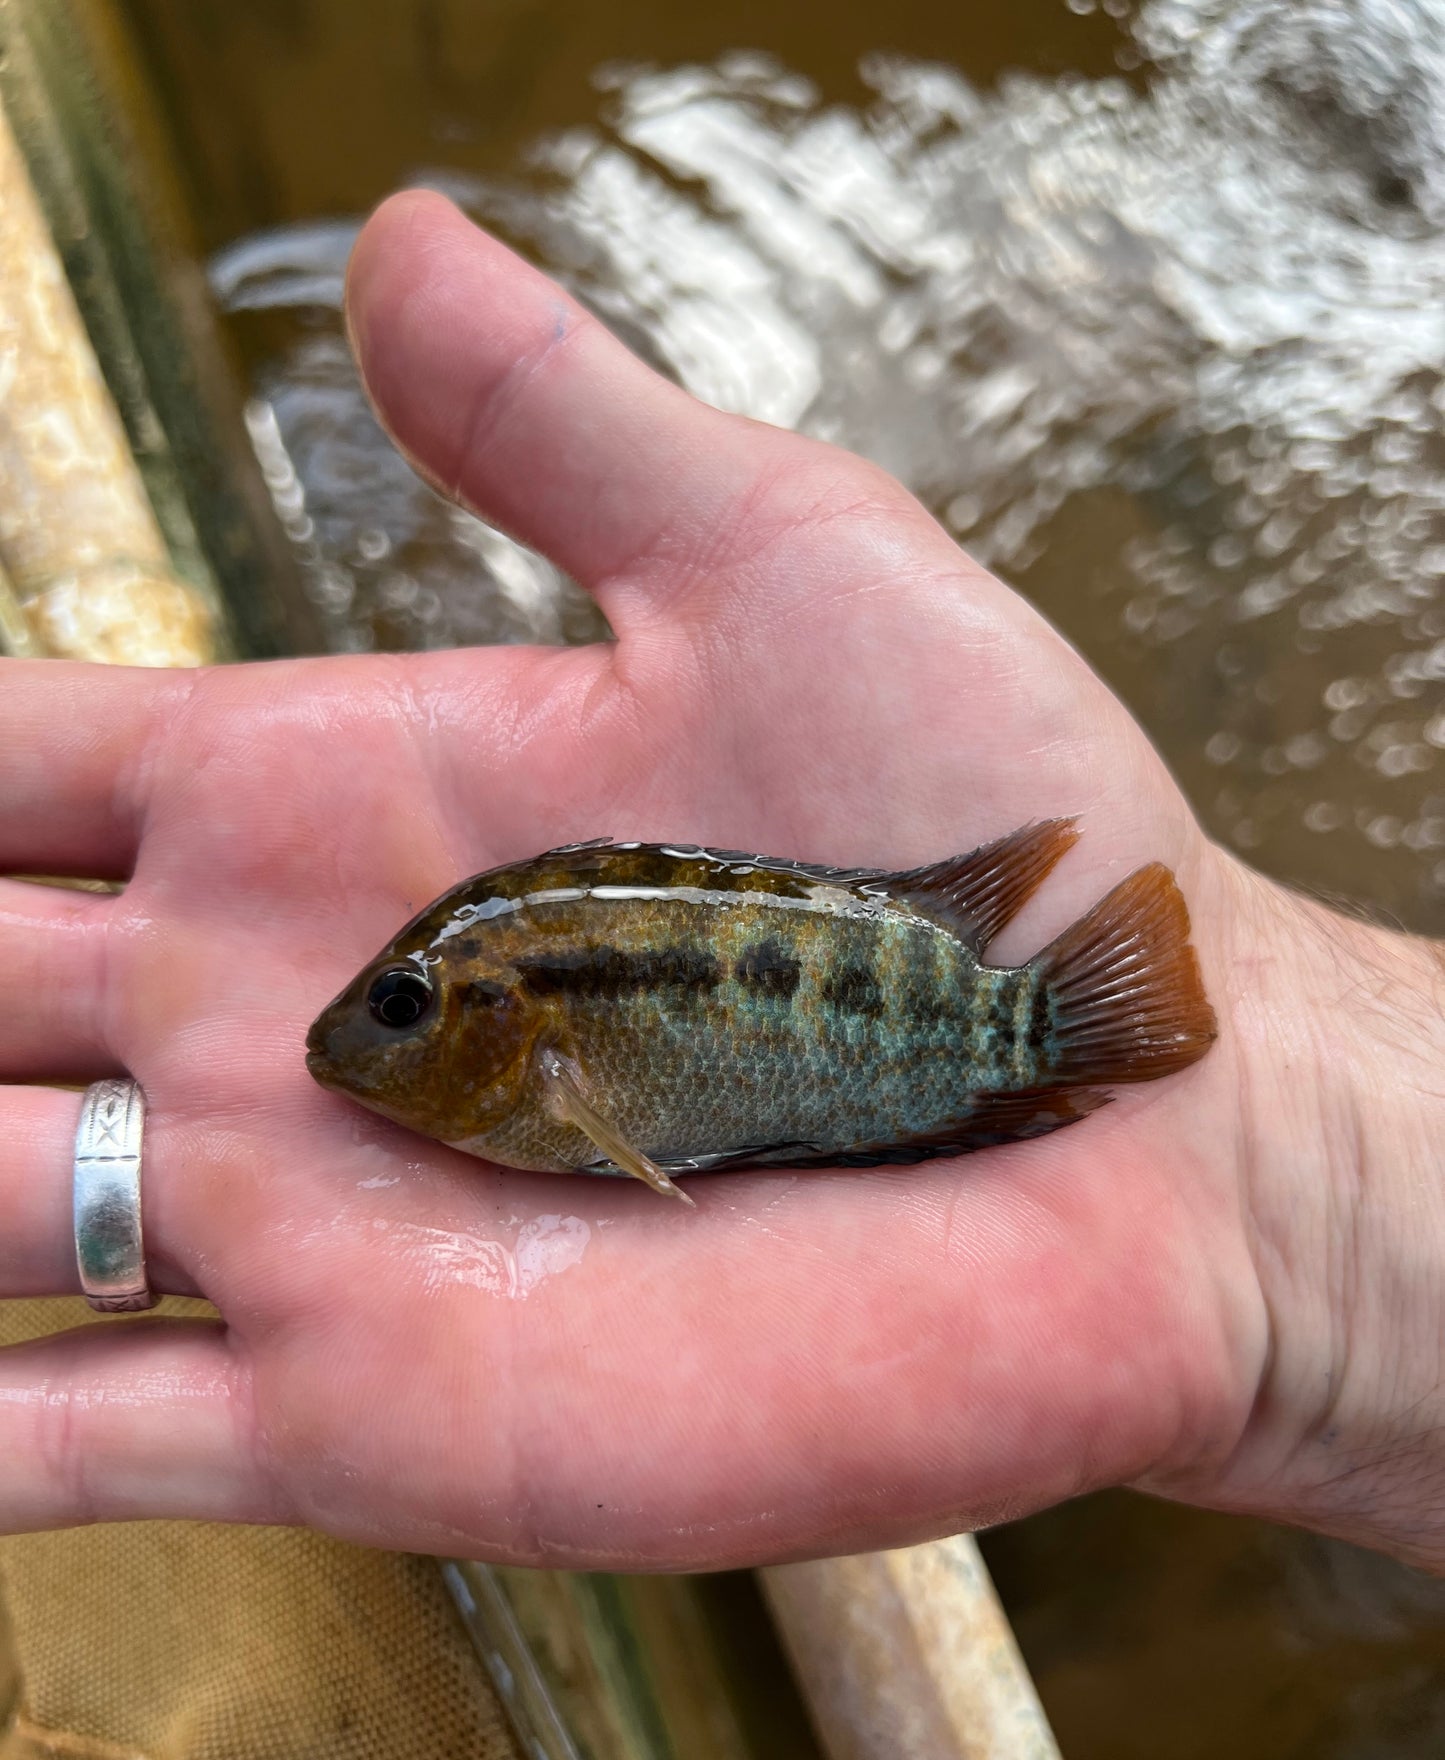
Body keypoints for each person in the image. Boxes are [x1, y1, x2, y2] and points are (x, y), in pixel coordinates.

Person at [1, 189, 1441, 1576]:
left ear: (507, 1021)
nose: (361, 1037)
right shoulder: (507, 1038)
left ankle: (1036, 1036)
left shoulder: (529, 1035)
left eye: (402, 1005)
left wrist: (1274, 1173)